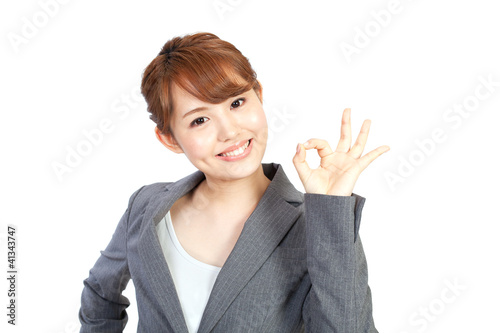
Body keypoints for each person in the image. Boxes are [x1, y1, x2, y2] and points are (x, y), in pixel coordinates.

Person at [79, 32, 390, 333]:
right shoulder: (146, 207)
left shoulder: (315, 224)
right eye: (199, 120)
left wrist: (331, 208)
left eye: (237, 103)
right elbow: (100, 294)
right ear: (169, 138)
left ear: (259, 96)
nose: (229, 131)